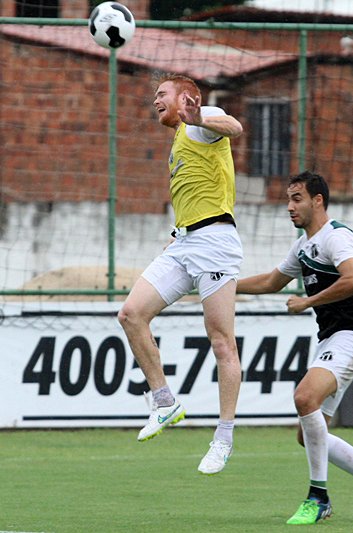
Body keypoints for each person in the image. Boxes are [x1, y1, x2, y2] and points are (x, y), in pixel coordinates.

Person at [236, 171, 353, 524]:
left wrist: (307, 301)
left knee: (304, 398)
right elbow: (271, 281)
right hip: (333, 339)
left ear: (318, 201)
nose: (290, 206)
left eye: (297, 198)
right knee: (309, 434)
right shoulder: (303, 246)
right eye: (288, 199)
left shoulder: (336, 236)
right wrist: (224, 285)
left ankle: (319, 498)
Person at [117, 73, 244, 475]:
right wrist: (176, 236)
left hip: (215, 242)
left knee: (221, 343)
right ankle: (165, 402)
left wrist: (200, 117)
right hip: (184, 241)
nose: (155, 101)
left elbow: (235, 127)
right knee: (130, 314)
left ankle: (223, 439)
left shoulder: (201, 122)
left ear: (186, 98)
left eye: (162, 94)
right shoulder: (178, 140)